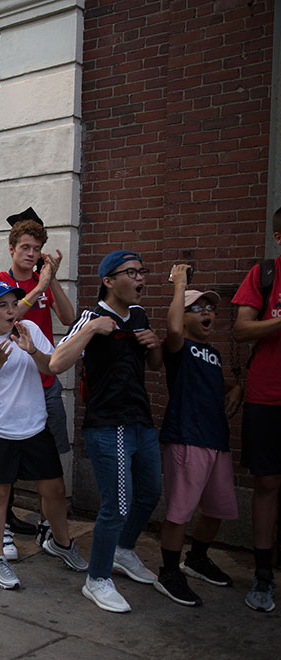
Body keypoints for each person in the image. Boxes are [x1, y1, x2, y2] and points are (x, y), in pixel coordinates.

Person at [51, 249, 163, 614]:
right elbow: (56, 362)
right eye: (131, 272)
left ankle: (122, 550)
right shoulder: (92, 315)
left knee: (150, 491)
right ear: (108, 281)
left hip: (140, 420)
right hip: (107, 423)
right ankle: (97, 579)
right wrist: (91, 330)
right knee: (116, 505)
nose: (140, 278)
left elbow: (155, 365)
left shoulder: (140, 315)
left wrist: (155, 346)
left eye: (141, 271)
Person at [0, 281, 87, 590]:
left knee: (54, 489)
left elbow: (51, 368)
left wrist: (33, 351)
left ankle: (62, 543)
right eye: (2, 305)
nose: (10, 311)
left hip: (33, 425)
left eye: (13, 304)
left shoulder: (27, 329)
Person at [154, 265, 240, 607]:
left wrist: (236, 390)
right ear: (183, 317)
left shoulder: (214, 354)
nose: (207, 313)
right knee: (179, 512)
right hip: (187, 438)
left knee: (216, 508)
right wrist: (180, 286)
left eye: (210, 308)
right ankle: (169, 572)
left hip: (216, 441)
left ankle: (197, 559)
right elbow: (173, 327)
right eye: (197, 308)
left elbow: (219, 385)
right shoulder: (178, 347)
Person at [0, 211, 76, 542]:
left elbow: (68, 317)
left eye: (36, 248)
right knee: (6, 461)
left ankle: (47, 526)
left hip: (45, 384)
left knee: (50, 461)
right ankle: (5, 524)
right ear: (11, 248)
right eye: (25, 247)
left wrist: (51, 280)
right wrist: (37, 287)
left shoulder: (45, 282)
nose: (31, 253)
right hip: (10, 387)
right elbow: (6, 320)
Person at [231, 209, 281, 613]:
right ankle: (263, 576)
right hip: (268, 397)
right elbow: (241, 328)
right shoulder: (264, 274)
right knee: (267, 484)